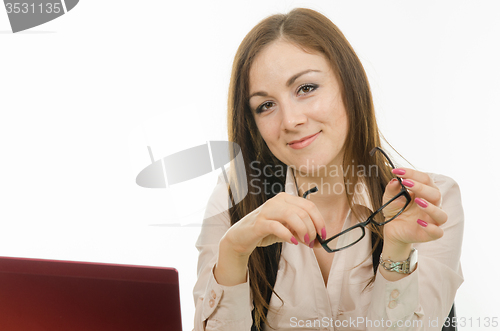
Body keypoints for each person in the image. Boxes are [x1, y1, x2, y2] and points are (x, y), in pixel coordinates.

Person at [193, 7, 463, 331]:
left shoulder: (430, 201)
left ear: (349, 84)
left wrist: (398, 251)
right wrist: (234, 252)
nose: (290, 120)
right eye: (266, 105)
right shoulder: (231, 202)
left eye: (306, 88)